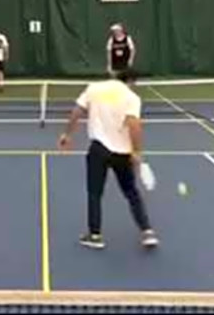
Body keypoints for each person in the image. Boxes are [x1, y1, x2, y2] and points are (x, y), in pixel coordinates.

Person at [58, 69, 158, 250]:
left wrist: (67, 134)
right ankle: (147, 232)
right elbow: (134, 125)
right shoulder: (131, 97)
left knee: (95, 193)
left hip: (99, 150)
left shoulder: (94, 88)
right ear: (131, 81)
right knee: (131, 192)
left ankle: (95, 235)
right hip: (122, 153)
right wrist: (136, 152)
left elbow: (77, 111)